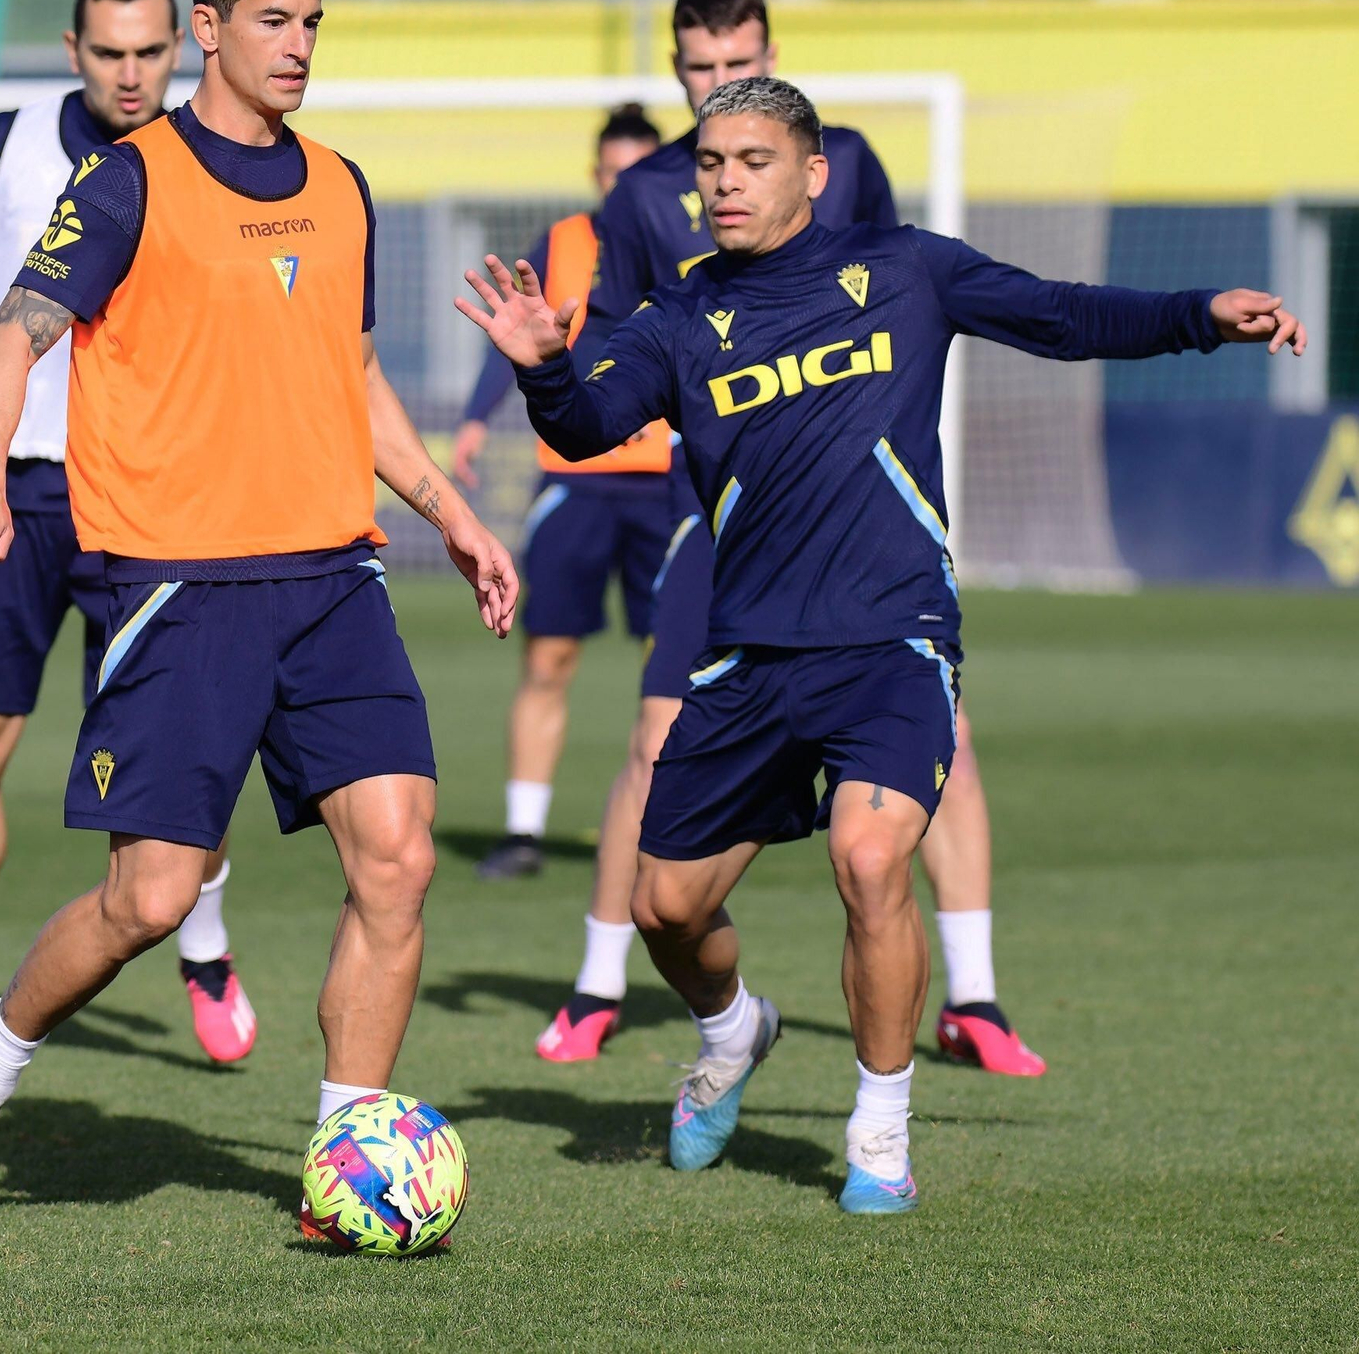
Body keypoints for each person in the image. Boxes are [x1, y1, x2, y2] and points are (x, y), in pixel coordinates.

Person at [459, 75, 1303, 1211]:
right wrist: (541, 365)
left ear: (813, 171)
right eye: (710, 164)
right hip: (748, 651)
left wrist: (1198, 316)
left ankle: (879, 1130)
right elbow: (584, 424)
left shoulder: (905, 268)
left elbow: (1059, 313)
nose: (724, 183)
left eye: (753, 161)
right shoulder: (677, 316)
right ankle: (733, 1028)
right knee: (665, 907)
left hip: (893, 638)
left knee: (868, 859)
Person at [0, 0, 517, 1226]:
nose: (298, 45)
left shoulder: (341, 185)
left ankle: (345, 1162)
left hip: (334, 577)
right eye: (274, 20)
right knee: (151, 897)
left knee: (398, 858)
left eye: (313, 22)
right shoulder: (129, 180)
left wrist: (449, 509)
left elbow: (353, 374)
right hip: (181, 585)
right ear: (214, 28)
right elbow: (10, 339)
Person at [523, 0, 1041, 1077]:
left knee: (936, 744)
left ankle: (976, 994)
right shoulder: (642, 195)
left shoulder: (844, 157)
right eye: (699, 68)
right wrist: (554, 370)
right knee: (653, 738)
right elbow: (621, 359)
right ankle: (601, 981)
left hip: (858, 515)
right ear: (675, 71)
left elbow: (890, 289)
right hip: (716, 518)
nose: (717, 83)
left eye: (737, 62)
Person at [0, 0, 261, 1070]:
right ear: (72, 49)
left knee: (174, 756)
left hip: (152, 505)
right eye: (109, 52)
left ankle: (206, 949)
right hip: (11, 495)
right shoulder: (2, 147)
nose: (131, 73)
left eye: (150, 51)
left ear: (180, 46)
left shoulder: (211, 158)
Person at [451, 105, 667, 879]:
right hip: (575, 480)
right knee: (548, 656)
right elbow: (515, 333)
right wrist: (476, 418)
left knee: (673, 668)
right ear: (595, 175)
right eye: (613, 174)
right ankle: (523, 831)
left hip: (669, 485)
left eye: (639, 175)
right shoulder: (564, 241)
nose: (624, 188)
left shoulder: (692, 243)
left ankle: (667, 831)